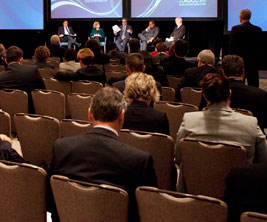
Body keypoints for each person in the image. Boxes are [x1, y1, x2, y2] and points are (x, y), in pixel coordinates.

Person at [50, 86, 157, 222]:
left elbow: (51, 201)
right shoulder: (140, 161)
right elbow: (148, 213)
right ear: (122, 117)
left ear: (90, 115)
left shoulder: (61, 148)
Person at [175, 73, 267, 165]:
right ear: (230, 94)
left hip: (194, 178)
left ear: (204, 96)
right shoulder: (251, 124)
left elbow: (179, 158)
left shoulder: (189, 120)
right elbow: (264, 161)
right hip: (240, 179)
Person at [222, 55, 267, 133]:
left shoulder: (212, 93)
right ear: (243, 73)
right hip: (252, 140)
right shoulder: (261, 95)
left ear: (222, 73)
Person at [0, 46, 45, 113]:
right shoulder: (32, 70)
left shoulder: (1, 76)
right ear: (21, 60)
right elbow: (42, 92)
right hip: (31, 115)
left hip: (7, 116)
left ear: (6, 61)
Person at [230, 9, 263, 87]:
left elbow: (232, 47)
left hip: (239, 62)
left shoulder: (235, 29)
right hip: (253, 62)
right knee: (254, 84)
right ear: (249, 17)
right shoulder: (258, 30)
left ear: (240, 17)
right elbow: (261, 47)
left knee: (239, 85)